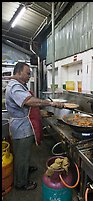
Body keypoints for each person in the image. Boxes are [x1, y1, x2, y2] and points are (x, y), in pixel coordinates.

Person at [5, 62, 64, 191]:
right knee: (21, 155)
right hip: (21, 128)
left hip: (24, 126)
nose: (29, 77)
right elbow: (28, 101)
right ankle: (21, 183)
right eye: (27, 73)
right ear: (19, 72)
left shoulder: (19, 85)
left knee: (24, 153)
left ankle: (25, 168)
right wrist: (51, 103)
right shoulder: (15, 86)